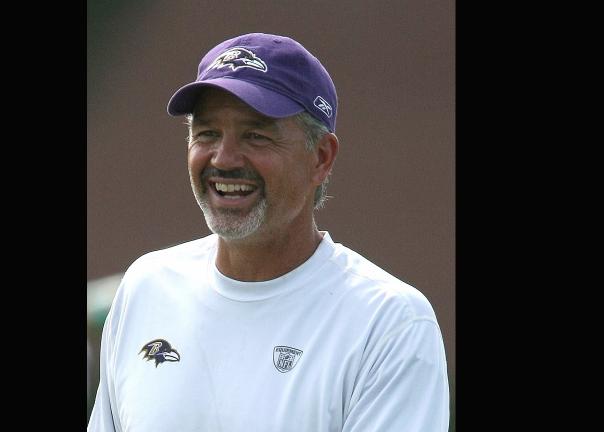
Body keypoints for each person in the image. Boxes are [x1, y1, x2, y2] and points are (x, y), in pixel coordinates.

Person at [88, 32, 449, 431]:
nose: (223, 159)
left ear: (321, 157)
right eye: (207, 133)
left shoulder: (388, 323)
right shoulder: (145, 288)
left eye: (256, 135)